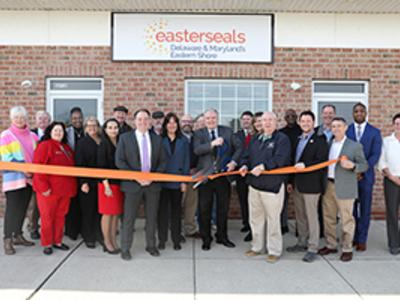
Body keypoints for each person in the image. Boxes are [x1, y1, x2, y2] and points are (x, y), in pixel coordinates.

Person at [239, 112, 291, 263]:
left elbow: (281, 159)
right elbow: (246, 156)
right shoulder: (256, 139)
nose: (266, 123)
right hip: (254, 186)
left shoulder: (282, 139)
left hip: (272, 186)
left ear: (276, 122)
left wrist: (264, 166)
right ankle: (256, 247)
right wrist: (243, 165)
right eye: (264, 120)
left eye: (270, 120)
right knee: (255, 219)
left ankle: (274, 250)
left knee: (273, 219)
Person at [115, 109, 167, 260]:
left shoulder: (157, 139)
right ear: (134, 121)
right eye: (139, 119)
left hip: (152, 185)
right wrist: (136, 177)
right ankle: (125, 248)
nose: (143, 122)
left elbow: (163, 161)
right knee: (129, 218)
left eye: (146, 119)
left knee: (152, 217)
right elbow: (120, 161)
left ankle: (151, 245)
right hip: (132, 185)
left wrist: (153, 177)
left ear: (150, 121)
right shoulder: (125, 138)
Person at [318, 117, 368, 262]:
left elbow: (364, 165)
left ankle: (347, 248)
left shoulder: (354, 146)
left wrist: (353, 166)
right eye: (333, 126)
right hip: (328, 185)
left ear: (346, 128)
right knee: (328, 218)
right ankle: (331, 244)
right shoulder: (328, 144)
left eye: (339, 126)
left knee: (347, 219)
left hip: (346, 186)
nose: (336, 129)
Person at [193, 108, 242, 251]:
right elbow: (197, 150)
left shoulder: (227, 131)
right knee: (204, 210)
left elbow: (239, 148)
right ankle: (206, 238)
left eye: (213, 118)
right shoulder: (199, 133)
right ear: (204, 119)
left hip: (222, 177)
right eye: (208, 118)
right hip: (206, 177)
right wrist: (212, 144)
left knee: (223, 209)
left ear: (217, 118)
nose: (211, 120)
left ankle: (222, 236)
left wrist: (234, 162)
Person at [286, 111, 329, 262]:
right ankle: (301, 242)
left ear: (313, 122)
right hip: (297, 183)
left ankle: (312, 247)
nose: (305, 123)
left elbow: (321, 160)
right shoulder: (298, 139)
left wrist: (306, 165)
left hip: (312, 185)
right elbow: (293, 162)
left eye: (308, 121)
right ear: (299, 122)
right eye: (303, 121)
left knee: (312, 217)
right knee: (300, 216)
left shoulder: (320, 139)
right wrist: (290, 182)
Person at [32, 122, 77, 255]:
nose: (58, 133)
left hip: (65, 191)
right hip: (49, 191)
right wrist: (43, 187)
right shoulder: (44, 146)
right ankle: (47, 243)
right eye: (56, 130)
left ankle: (57, 241)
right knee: (47, 217)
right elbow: (38, 168)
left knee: (60, 217)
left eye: (61, 131)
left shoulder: (67, 148)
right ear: (50, 132)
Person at [0, 106, 38, 255]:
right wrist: (24, 169)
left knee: (23, 208)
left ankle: (18, 235)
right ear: (11, 119)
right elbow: (6, 158)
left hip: (29, 179)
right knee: (12, 210)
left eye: (22, 117)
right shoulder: (5, 135)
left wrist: (32, 172)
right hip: (14, 179)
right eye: (16, 117)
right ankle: (7, 239)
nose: (20, 120)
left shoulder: (33, 136)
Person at [346, 102, 382, 251]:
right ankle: (353, 237)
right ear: (353, 114)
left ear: (366, 113)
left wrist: (361, 170)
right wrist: (353, 170)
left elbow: (375, 155)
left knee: (365, 209)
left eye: (362, 111)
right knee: (351, 210)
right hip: (350, 176)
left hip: (366, 177)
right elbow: (344, 152)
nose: (359, 113)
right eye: (356, 111)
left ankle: (362, 239)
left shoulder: (374, 132)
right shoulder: (347, 130)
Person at [158, 113, 190, 250]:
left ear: (178, 125)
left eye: (174, 122)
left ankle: (176, 239)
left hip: (177, 182)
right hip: (162, 182)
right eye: (169, 122)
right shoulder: (159, 140)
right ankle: (162, 240)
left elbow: (186, 161)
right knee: (162, 213)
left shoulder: (184, 141)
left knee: (176, 213)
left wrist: (184, 181)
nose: (172, 125)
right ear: (165, 125)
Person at [75, 116, 102, 249]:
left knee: (99, 210)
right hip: (88, 182)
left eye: (94, 125)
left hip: (101, 182)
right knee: (88, 210)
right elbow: (79, 164)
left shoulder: (102, 141)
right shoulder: (82, 143)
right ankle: (88, 236)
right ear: (85, 128)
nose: (92, 128)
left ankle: (98, 234)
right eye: (89, 125)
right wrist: (83, 182)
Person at [97, 118, 123, 255]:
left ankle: (113, 239)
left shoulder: (120, 143)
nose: (113, 130)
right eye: (110, 127)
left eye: (115, 127)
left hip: (118, 184)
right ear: (105, 129)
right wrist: (106, 185)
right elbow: (101, 167)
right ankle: (107, 242)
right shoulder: (103, 145)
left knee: (115, 214)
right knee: (107, 214)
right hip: (106, 185)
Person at [378, 113, 400, 255]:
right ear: (393, 125)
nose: (399, 126)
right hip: (391, 180)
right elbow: (382, 161)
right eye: (397, 123)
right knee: (392, 212)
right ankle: (394, 243)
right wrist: (392, 177)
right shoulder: (386, 141)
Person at [28, 110, 51, 240]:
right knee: (34, 205)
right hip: (33, 174)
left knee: (47, 206)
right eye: (40, 119)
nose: (42, 121)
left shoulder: (52, 134)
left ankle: (47, 228)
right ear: (36, 121)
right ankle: (33, 228)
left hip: (49, 175)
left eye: (45, 119)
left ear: (49, 121)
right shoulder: (30, 134)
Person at [279, 109, 302, 235]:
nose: (291, 117)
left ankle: (301, 228)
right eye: (288, 116)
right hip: (285, 170)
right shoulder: (280, 133)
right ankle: (283, 225)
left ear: (297, 117)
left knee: (300, 203)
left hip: (300, 170)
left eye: (293, 115)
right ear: (285, 118)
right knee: (283, 201)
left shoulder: (302, 131)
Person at [315, 104, 336, 237]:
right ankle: (319, 231)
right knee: (317, 204)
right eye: (325, 113)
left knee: (331, 207)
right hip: (317, 174)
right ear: (321, 115)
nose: (328, 115)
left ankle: (330, 232)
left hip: (333, 175)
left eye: (331, 113)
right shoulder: (316, 132)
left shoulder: (339, 132)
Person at [233, 111, 254, 242]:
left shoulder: (256, 135)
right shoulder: (236, 135)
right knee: (243, 199)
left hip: (254, 173)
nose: (246, 121)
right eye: (244, 119)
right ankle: (246, 223)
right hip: (240, 173)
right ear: (241, 121)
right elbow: (235, 152)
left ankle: (253, 226)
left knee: (253, 202)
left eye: (248, 119)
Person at [65, 107, 84, 240]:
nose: (77, 120)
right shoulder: (66, 132)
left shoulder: (87, 131)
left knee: (83, 203)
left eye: (79, 118)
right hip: (70, 172)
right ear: (71, 120)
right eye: (74, 118)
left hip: (84, 173)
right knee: (72, 204)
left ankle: (83, 229)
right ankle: (71, 231)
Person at [180, 114, 201, 238]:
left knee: (191, 204)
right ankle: (176, 231)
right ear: (180, 123)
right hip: (179, 177)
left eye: (189, 121)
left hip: (194, 176)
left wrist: (197, 169)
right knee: (177, 204)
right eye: (184, 121)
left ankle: (190, 229)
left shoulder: (197, 137)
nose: (187, 123)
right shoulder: (176, 137)